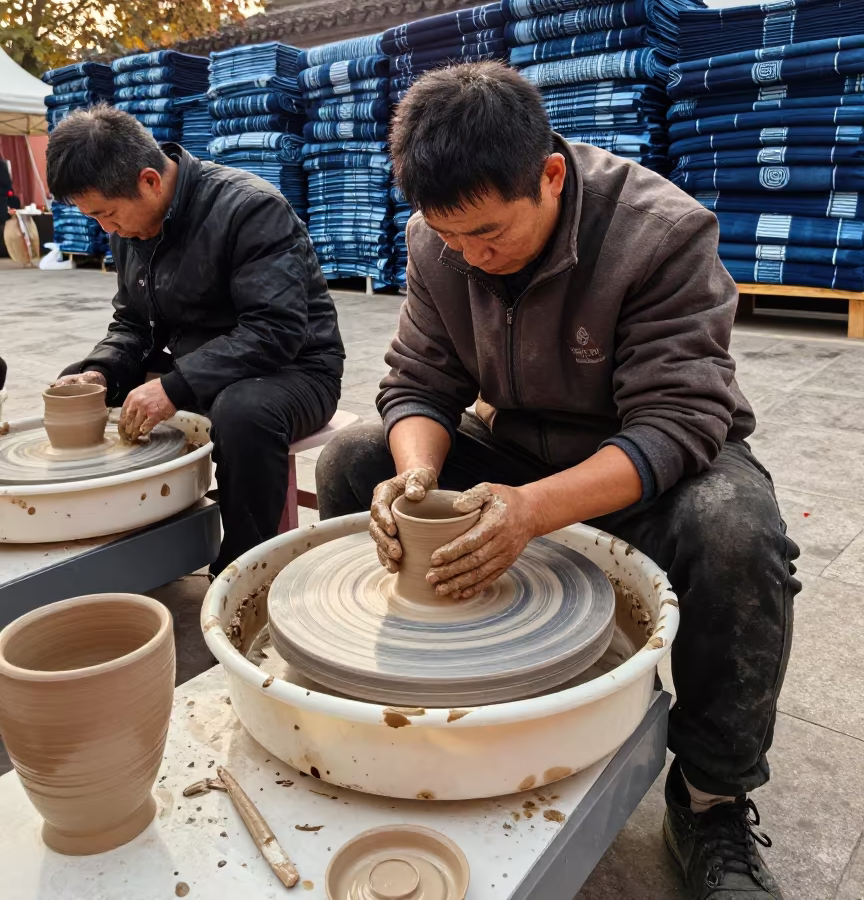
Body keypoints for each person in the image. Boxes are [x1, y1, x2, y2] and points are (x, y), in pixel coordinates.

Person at [317, 61, 798, 900]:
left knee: (737, 533)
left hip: (646, 454)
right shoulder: (441, 238)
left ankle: (711, 801)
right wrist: (420, 476)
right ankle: (395, 691)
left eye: (490, 236)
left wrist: (533, 512)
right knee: (357, 458)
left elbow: (678, 422)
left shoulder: (661, 232)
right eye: (450, 238)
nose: (470, 256)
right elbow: (420, 381)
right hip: (515, 445)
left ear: (547, 175)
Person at [46, 105, 344, 573]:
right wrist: (99, 369)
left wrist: (175, 387)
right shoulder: (130, 227)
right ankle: (136, 540)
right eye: (95, 218)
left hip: (295, 368)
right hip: (202, 366)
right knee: (90, 391)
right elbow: (132, 325)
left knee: (241, 411)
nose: (107, 229)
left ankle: (247, 568)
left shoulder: (249, 208)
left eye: (107, 214)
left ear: (149, 180)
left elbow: (275, 330)